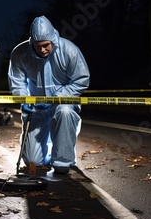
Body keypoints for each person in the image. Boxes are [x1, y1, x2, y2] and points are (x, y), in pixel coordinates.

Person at [8, 15, 90, 174]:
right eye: (38, 46)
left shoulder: (69, 50)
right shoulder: (20, 53)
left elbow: (81, 79)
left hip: (63, 102)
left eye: (46, 45)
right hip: (36, 107)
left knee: (65, 112)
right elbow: (17, 81)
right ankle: (47, 155)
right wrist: (24, 100)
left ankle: (62, 161)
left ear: (53, 39)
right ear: (32, 42)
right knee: (33, 161)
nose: (42, 49)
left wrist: (58, 97)